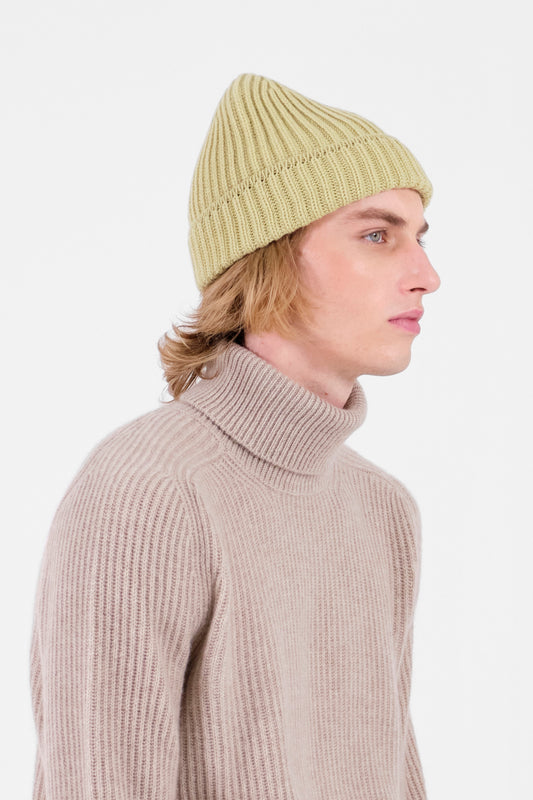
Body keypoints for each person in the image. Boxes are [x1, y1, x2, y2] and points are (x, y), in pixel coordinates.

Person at [30, 73, 440, 799]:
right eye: (377, 235)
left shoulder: (383, 510)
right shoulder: (147, 491)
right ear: (265, 259)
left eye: (420, 237)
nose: (426, 276)